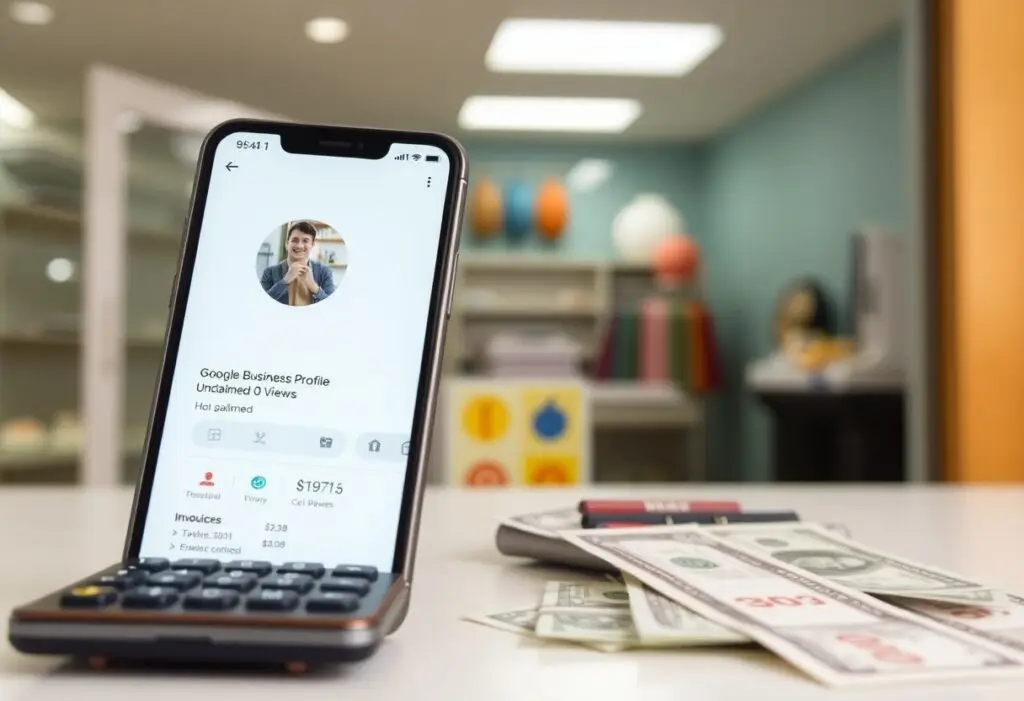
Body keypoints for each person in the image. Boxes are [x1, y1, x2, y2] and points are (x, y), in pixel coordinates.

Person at [260, 221, 336, 305]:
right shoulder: (269, 272)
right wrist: (285, 281)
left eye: (305, 241)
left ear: (312, 245)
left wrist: (314, 287)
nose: (299, 245)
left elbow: (331, 307)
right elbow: (262, 304)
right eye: (295, 240)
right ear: (287, 244)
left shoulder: (325, 272)